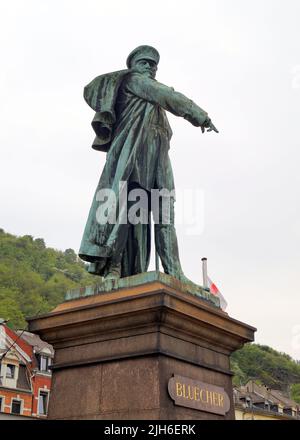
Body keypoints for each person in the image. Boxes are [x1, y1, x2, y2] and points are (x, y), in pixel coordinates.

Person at [79, 45, 218, 281]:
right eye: (145, 62)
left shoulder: (153, 104)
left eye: (154, 65)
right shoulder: (134, 81)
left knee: (166, 216)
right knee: (124, 214)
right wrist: (200, 115)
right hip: (132, 158)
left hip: (158, 163)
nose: (151, 68)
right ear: (133, 65)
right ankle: (114, 267)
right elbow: (169, 96)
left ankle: (175, 271)